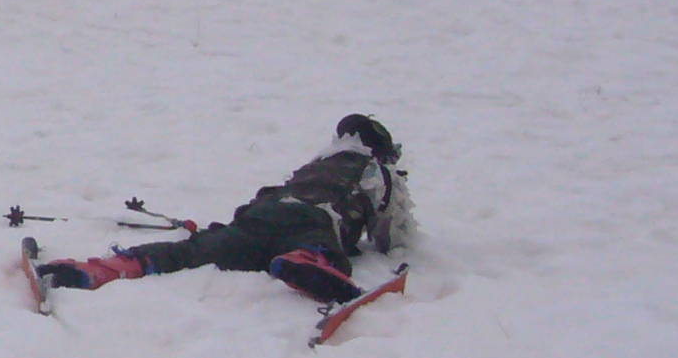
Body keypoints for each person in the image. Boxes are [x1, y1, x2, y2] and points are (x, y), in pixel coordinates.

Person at [38, 114, 408, 305]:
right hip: (312, 219)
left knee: (191, 251)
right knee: (325, 249)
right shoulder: (381, 174)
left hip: (260, 215)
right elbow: (392, 233)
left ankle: (104, 268)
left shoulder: (317, 162)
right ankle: (308, 261)